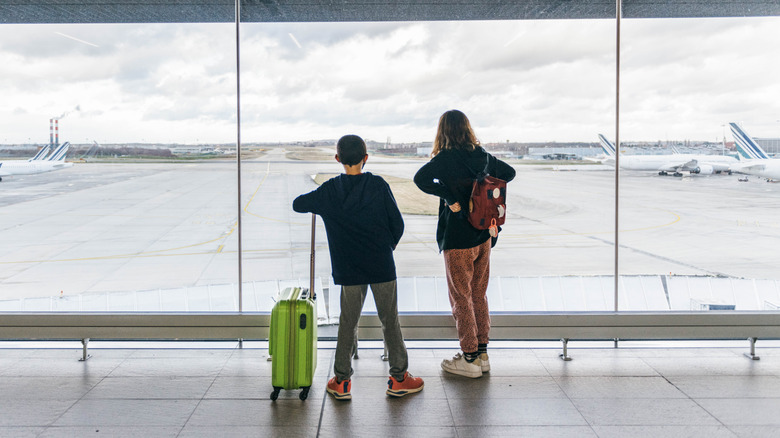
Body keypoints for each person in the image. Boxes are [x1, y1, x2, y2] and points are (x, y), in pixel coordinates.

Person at [292, 134, 424, 400]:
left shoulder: (329, 190)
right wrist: (386, 248)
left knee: (347, 322)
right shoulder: (378, 185)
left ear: (338, 159)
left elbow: (298, 204)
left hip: (349, 269)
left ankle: (341, 381)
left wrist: (324, 206)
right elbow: (397, 224)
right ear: (366, 158)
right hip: (381, 265)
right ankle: (399, 378)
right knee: (390, 321)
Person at [413, 110, 516, 378]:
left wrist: (448, 195)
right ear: (468, 129)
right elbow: (509, 173)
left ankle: (468, 358)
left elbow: (420, 179)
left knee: (461, 297)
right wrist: (484, 184)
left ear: (443, 131)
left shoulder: (445, 159)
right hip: (483, 236)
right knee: (478, 294)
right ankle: (482, 355)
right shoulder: (482, 156)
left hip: (458, 238)